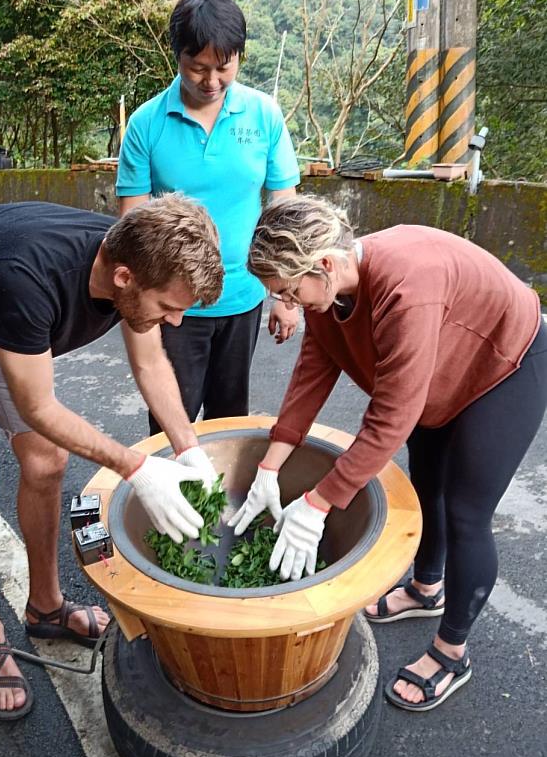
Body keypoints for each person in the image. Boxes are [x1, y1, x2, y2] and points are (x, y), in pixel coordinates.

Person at [0, 195, 224, 721]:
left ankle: (46, 607)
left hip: (10, 331)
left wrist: (189, 449)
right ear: (125, 278)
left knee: (48, 463)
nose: (175, 321)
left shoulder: (141, 255)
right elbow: (38, 406)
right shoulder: (28, 275)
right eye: (169, 307)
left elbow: (152, 363)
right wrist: (136, 467)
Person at [230, 194, 547, 712]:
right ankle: (427, 589)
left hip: (503, 364)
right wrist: (270, 465)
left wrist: (319, 502)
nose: (286, 304)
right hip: (443, 365)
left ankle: (451, 652)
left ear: (325, 264)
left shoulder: (406, 287)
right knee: (428, 490)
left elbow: (392, 415)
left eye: (288, 292)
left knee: (465, 512)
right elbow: (314, 371)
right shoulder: (330, 293)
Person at [116, 0, 301, 434]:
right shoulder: (147, 124)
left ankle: (219, 502)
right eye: (198, 67)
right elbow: (132, 227)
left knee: (230, 419)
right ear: (177, 55)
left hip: (242, 299)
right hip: (176, 305)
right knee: (169, 420)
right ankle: (170, 501)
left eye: (224, 66)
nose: (212, 80)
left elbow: (285, 211)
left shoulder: (263, 115)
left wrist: (286, 294)